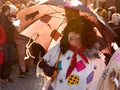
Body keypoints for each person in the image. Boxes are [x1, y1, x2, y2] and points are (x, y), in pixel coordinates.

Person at [37, 16, 106, 90]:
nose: (72, 35)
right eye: (70, 31)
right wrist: (46, 68)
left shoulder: (94, 56)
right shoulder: (59, 49)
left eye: (76, 32)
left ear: (85, 35)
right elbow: (41, 66)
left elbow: (100, 80)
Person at [0, 4, 15, 82]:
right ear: (8, 10)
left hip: (8, 41)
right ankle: (4, 76)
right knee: (7, 59)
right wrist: (12, 24)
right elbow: (4, 30)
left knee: (8, 59)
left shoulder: (5, 17)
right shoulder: (2, 17)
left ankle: (5, 75)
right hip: (6, 41)